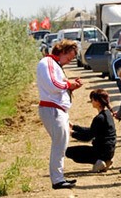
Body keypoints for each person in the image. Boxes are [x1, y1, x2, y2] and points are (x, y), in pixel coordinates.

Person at [36, 39, 83, 190]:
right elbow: (53, 84)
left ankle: (59, 177)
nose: (69, 62)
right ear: (62, 52)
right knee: (59, 145)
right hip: (52, 109)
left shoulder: (53, 64)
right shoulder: (48, 62)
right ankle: (57, 179)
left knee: (60, 144)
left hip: (55, 109)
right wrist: (69, 84)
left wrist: (70, 86)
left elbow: (57, 85)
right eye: (68, 58)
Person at [66, 89, 117, 172]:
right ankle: (105, 161)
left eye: (92, 99)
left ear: (98, 101)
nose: (91, 102)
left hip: (101, 151)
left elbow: (87, 137)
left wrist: (72, 134)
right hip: (109, 151)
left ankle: (98, 161)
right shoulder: (108, 114)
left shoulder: (99, 118)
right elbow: (91, 130)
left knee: (69, 152)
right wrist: (74, 127)